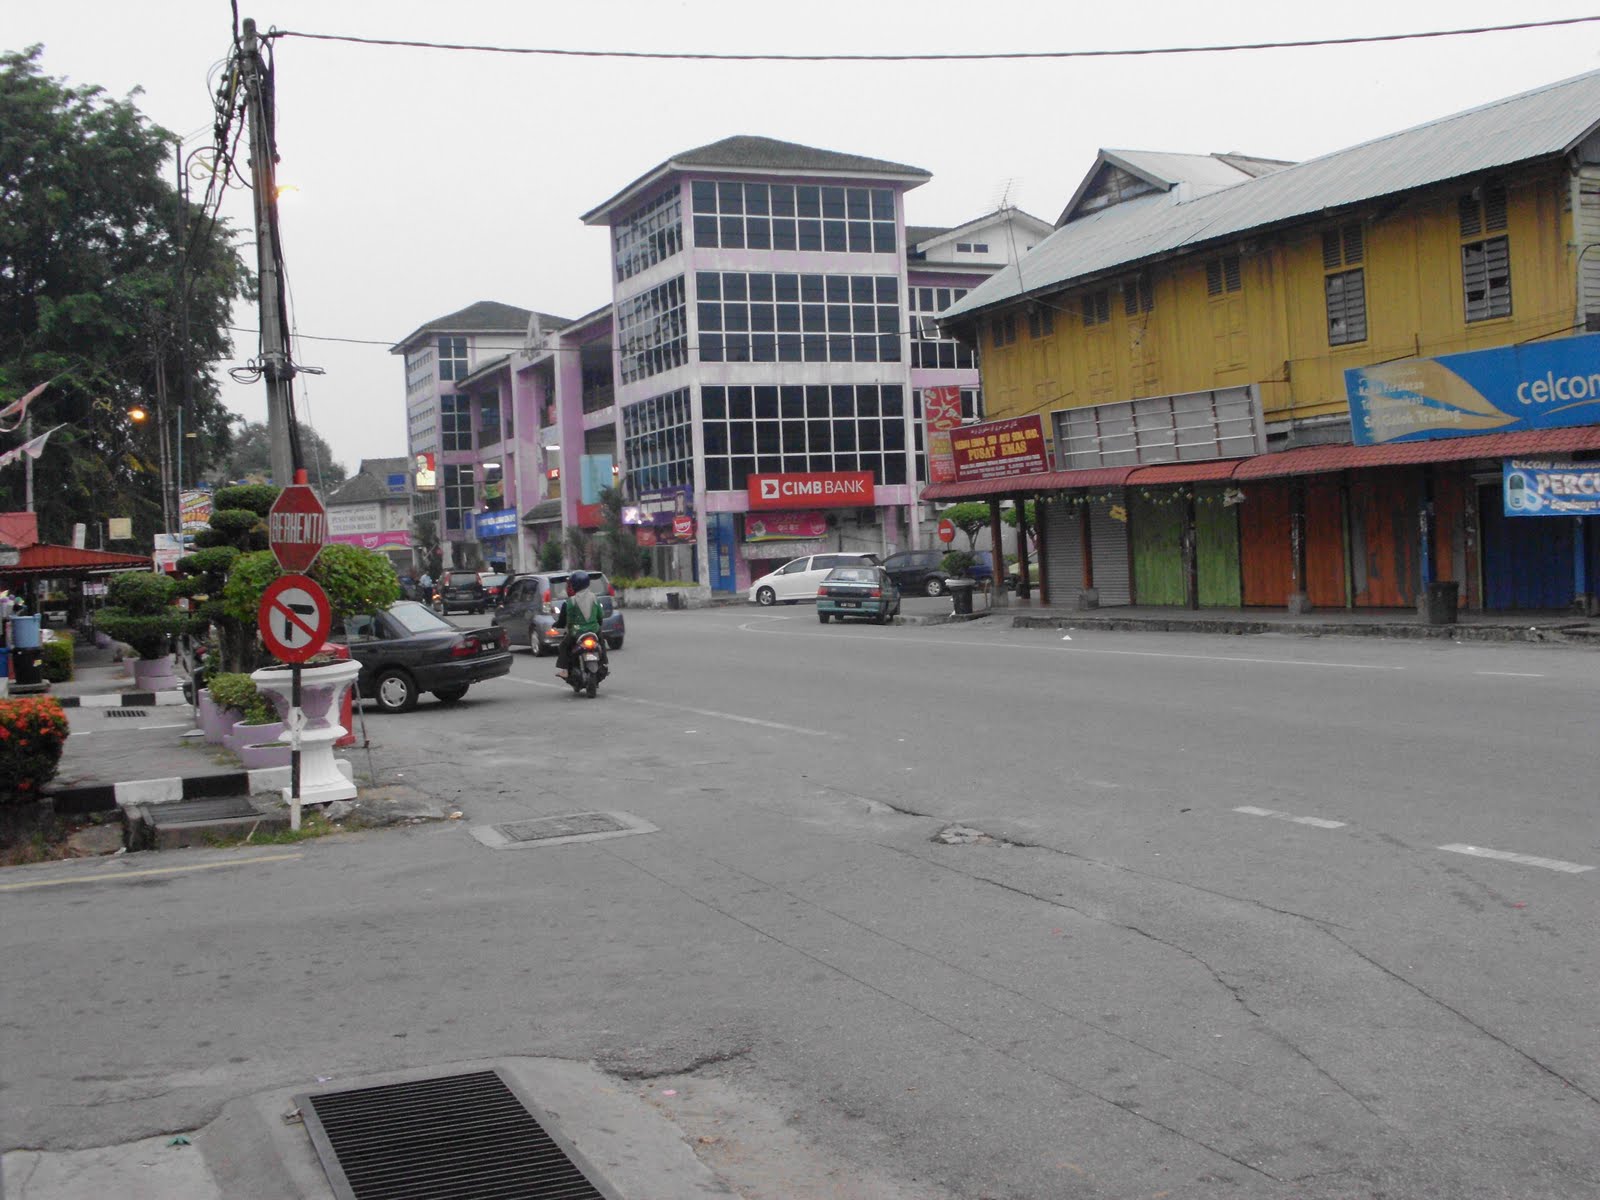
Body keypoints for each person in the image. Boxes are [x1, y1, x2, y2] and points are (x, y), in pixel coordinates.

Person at [553, 570, 607, 679]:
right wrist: (597, 624)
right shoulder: (594, 598)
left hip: (576, 632)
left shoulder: (570, 602)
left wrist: (557, 625)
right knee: (601, 643)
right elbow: (600, 616)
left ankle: (565, 670)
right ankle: (604, 663)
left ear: (574, 585)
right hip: (594, 631)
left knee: (563, 646)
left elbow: (565, 620)